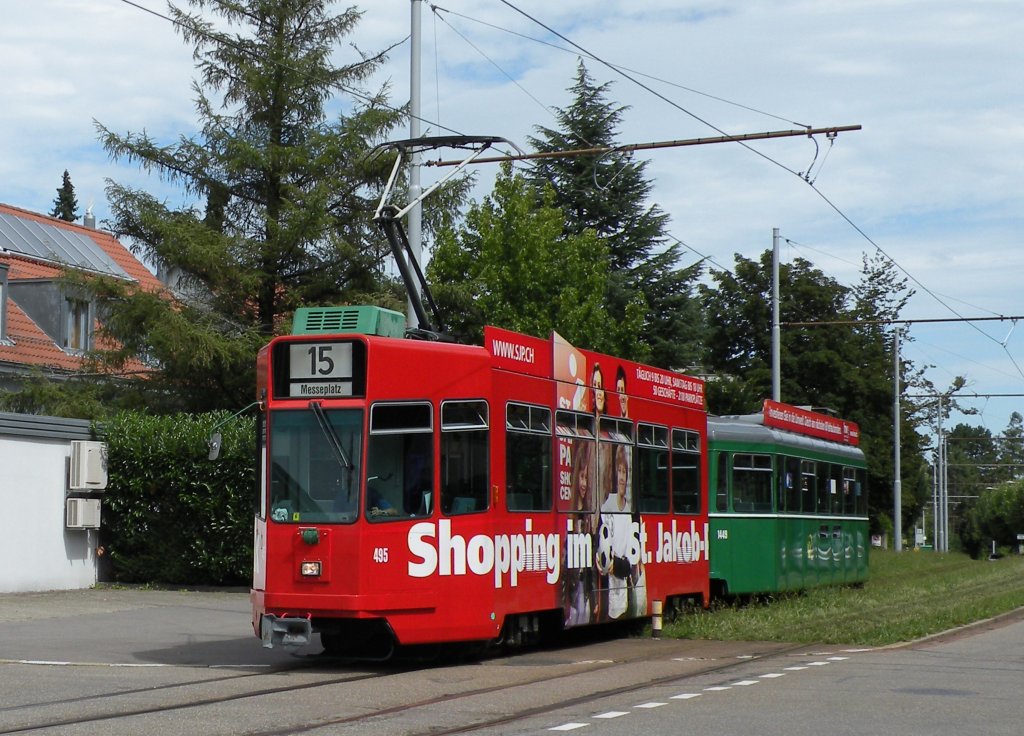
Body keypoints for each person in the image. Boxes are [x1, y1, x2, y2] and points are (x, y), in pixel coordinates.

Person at [598, 443, 632, 619]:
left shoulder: (630, 511)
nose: (621, 477)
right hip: (610, 586)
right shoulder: (606, 509)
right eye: (619, 471)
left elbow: (631, 558)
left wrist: (618, 564)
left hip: (622, 583)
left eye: (624, 472)